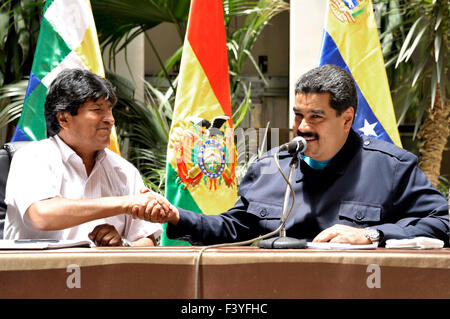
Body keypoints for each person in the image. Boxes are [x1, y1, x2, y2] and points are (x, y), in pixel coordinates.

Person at [141, 64, 449, 247]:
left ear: (347, 118)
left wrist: (370, 235)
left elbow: (443, 221)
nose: (302, 127)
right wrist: (179, 217)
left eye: (316, 117)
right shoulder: (270, 165)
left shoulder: (390, 167)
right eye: (297, 115)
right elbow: (236, 229)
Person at [3, 68, 164, 246]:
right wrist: (124, 203)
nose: (110, 119)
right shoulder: (32, 157)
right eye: (97, 110)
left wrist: (122, 246)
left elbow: (147, 240)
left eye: (109, 110)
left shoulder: (124, 170)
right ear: (63, 119)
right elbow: (42, 215)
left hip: (102, 273)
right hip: (40, 272)